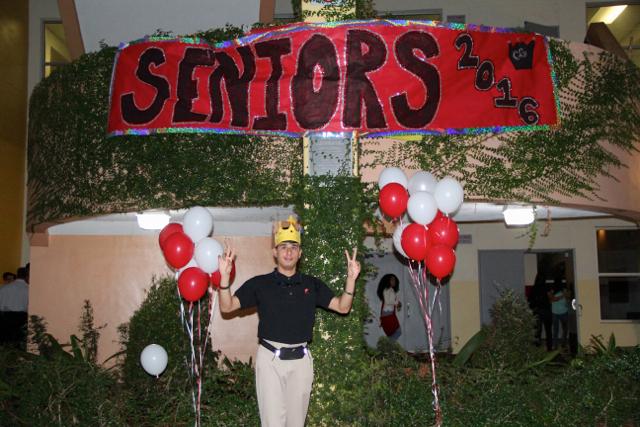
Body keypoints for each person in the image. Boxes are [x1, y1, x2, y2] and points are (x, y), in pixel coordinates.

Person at [217, 216, 360, 427]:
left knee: (296, 423)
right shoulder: (260, 284)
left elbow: (343, 306)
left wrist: (350, 279)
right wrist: (224, 278)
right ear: (275, 252)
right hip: (270, 362)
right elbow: (227, 307)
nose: (289, 252)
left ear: (300, 253)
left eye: (293, 247)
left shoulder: (312, 285)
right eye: (283, 247)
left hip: (301, 362)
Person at [0, 266, 29, 349]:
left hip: (4, 318)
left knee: (5, 344)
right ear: (27, 276)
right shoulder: (29, 289)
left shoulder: (4, 288)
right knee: (18, 345)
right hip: (22, 319)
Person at [527, 273, 552, 351]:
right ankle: (549, 348)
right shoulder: (546, 287)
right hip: (546, 310)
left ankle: (537, 348)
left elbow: (529, 300)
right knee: (548, 331)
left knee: (538, 331)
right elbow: (550, 298)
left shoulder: (533, 288)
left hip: (537, 311)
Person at [376, 273, 401, 340]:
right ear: (388, 281)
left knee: (393, 333)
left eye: (394, 280)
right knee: (396, 332)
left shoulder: (390, 290)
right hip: (388, 314)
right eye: (392, 280)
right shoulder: (387, 290)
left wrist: (397, 303)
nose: (394, 281)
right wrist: (397, 303)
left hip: (388, 313)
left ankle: (388, 348)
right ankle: (388, 347)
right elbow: (388, 301)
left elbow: (388, 302)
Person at [549, 276, 569, 350]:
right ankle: (560, 344)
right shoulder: (560, 291)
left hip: (558, 312)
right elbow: (553, 299)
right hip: (561, 312)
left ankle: (558, 345)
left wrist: (564, 296)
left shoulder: (553, 290)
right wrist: (563, 295)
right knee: (563, 329)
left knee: (557, 330)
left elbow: (553, 299)